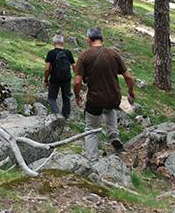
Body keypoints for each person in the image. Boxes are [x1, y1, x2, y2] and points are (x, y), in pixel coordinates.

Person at [73, 27, 135, 161]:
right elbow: (128, 77)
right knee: (109, 108)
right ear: (102, 39)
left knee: (91, 129)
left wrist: (77, 96)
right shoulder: (113, 54)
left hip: (95, 99)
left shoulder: (85, 55)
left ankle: (92, 160)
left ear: (88, 40)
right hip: (113, 97)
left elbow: (77, 81)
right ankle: (114, 136)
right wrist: (130, 91)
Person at [44, 34, 76, 118]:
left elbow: (47, 69)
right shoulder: (68, 52)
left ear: (54, 42)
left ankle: (57, 115)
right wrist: (77, 76)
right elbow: (74, 66)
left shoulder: (51, 53)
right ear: (62, 43)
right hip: (67, 79)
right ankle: (65, 117)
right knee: (66, 98)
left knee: (51, 98)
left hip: (54, 79)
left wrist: (46, 79)